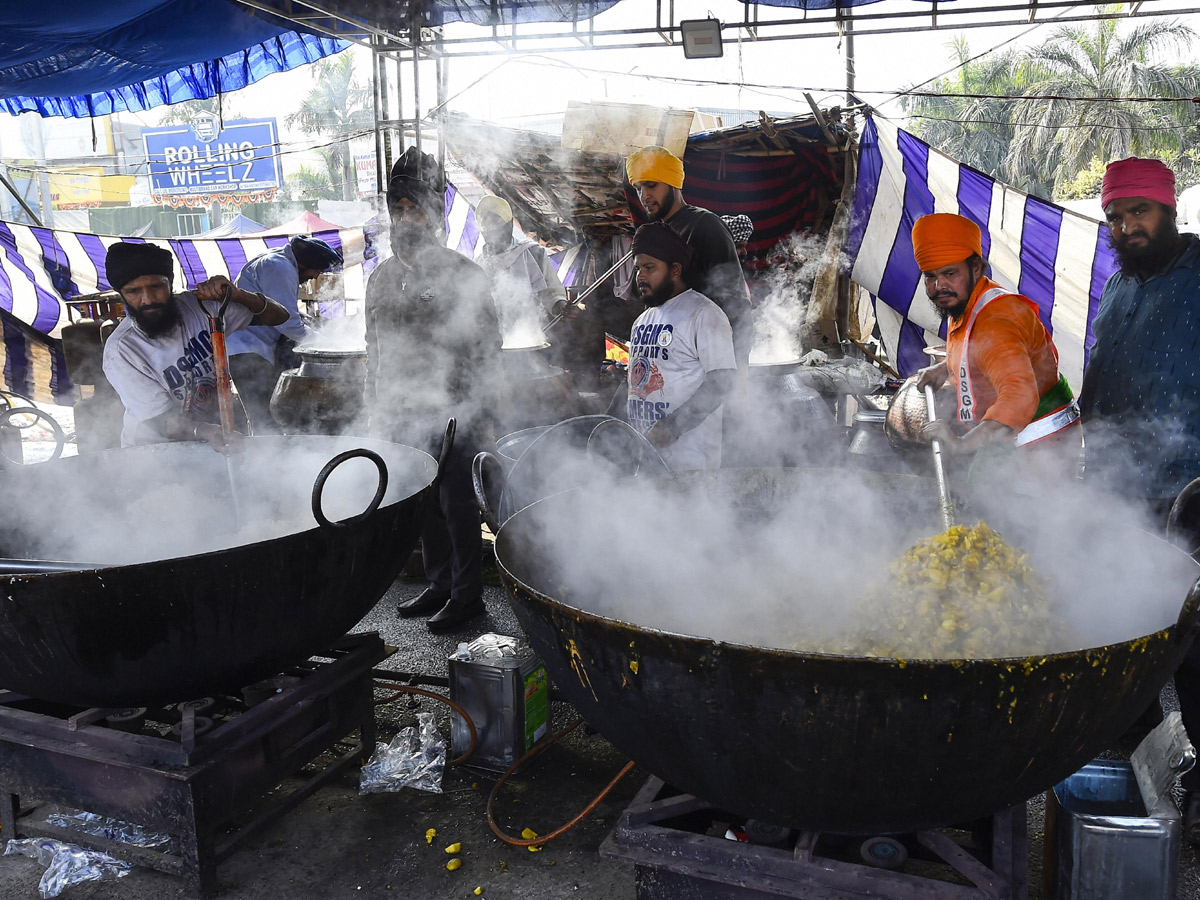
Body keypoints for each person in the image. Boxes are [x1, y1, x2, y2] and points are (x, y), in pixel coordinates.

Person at [1078, 156, 1200, 836]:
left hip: (1190, 489)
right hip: (1117, 487)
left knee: (1195, 645)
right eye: (1116, 218)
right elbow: (1101, 378)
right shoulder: (1119, 287)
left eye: (1138, 212)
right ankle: (1148, 762)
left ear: (1168, 209)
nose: (1127, 227)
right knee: (1128, 626)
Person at [365, 147, 503, 633]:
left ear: (436, 211)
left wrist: (480, 409)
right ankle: (440, 581)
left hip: (455, 408)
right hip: (403, 408)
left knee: (456, 503)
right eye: (397, 208)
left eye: (415, 207)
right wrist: (374, 405)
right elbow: (373, 347)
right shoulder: (381, 278)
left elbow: (489, 347)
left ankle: (468, 595)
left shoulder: (464, 274)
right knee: (423, 502)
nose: (405, 217)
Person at [911, 213, 1079, 482]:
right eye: (930, 277)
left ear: (976, 267)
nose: (939, 286)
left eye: (950, 273)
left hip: (1040, 441)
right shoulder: (971, 300)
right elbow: (979, 350)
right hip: (1012, 433)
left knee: (1021, 518)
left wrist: (961, 443)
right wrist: (945, 368)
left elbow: (1018, 395)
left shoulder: (996, 322)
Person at [101, 241, 289, 450]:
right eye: (133, 291)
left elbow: (278, 316)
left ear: (170, 281)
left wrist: (238, 295)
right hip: (154, 452)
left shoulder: (201, 308)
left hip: (213, 439)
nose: (148, 299)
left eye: (156, 286)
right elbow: (159, 421)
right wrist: (205, 431)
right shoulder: (122, 350)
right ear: (120, 293)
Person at [618, 221, 737, 471]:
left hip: (691, 465)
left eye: (650, 268)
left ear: (674, 270)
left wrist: (673, 427)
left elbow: (723, 381)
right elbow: (635, 380)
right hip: (647, 461)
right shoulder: (642, 321)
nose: (640, 276)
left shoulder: (704, 314)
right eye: (638, 268)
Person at [625, 146, 753, 366]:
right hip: (674, 358)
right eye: (638, 188)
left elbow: (734, 302)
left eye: (651, 185)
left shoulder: (704, 225)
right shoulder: (657, 232)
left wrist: (735, 372)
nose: (644, 196)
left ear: (673, 183)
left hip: (706, 361)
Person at [228, 235, 343, 434]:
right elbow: (288, 324)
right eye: (317, 270)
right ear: (306, 263)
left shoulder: (277, 261)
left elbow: (283, 311)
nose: (316, 277)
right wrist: (323, 345)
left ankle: (268, 453)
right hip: (247, 351)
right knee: (266, 417)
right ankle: (268, 459)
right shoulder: (279, 268)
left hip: (252, 348)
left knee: (265, 415)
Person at [474, 194, 569, 337]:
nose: (492, 229)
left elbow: (552, 292)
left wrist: (561, 306)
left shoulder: (534, 253)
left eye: (497, 222)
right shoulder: (478, 265)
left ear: (509, 224)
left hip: (534, 334)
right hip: (494, 341)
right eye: (486, 224)